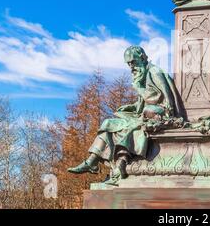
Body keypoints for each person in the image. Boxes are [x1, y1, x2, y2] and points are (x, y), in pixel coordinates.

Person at [68, 46, 184, 185]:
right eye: (128, 64)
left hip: (161, 114)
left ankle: (119, 167)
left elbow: (165, 99)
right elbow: (143, 102)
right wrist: (131, 106)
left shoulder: (154, 72)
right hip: (145, 113)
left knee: (132, 127)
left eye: (133, 62)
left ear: (142, 58)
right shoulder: (142, 75)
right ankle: (92, 161)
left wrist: (139, 88)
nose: (131, 66)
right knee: (108, 124)